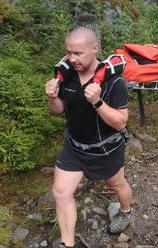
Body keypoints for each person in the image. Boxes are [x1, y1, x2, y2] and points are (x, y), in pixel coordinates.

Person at [45, 27, 132, 247]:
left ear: (94, 49)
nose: (72, 59)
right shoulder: (66, 76)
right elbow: (57, 110)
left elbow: (121, 122)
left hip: (106, 149)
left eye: (78, 53)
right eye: (69, 53)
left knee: (117, 184)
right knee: (60, 192)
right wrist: (53, 97)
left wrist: (98, 102)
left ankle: (125, 211)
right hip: (74, 146)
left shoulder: (114, 81)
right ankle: (67, 243)